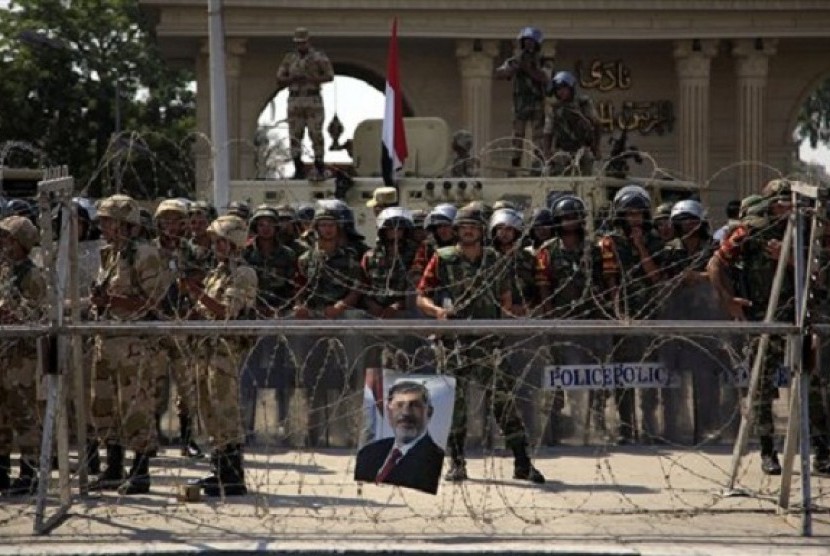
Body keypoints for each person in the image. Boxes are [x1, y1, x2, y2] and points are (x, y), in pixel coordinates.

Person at [416, 204, 545, 484]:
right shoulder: (443, 258)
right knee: (456, 406)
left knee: (504, 403)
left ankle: (522, 462)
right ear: (457, 231)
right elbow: (421, 296)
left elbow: (506, 299)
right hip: (455, 343)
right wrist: (437, 312)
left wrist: (511, 314)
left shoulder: (494, 260)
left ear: (481, 232)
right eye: (464, 228)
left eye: (473, 228)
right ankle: (458, 463)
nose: (469, 232)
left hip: (489, 342)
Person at [707, 179, 795, 475]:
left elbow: (819, 272)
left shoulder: (807, 232)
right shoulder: (751, 233)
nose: (787, 208)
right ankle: (768, 450)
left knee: (815, 385)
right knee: (762, 387)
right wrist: (729, 300)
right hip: (764, 320)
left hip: (801, 318)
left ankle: (822, 448)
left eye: (790, 201)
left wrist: (793, 257)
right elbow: (715, 264)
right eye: (781, 202)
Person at [89, 195, 171, 494]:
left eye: (108, 221)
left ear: (126, 224)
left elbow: (152, 301)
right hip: (107, 338)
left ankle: (140, 472)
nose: (103, 226)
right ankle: (113, 466)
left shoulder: (145, 255)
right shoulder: (110, 255)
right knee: (103, 405)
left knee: (136, 407)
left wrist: (109, 300)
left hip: (133, 343)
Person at [181, 215, 257, 496]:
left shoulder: (243, 274)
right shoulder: (217, 273)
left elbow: (226, 312)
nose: (216, 247)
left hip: (226, 350)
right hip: (207, 349)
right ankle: (220, 468)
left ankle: (233, 474)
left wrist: (196, 292)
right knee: (208, 408)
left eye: (222, 242)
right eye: (215, 242)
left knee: (225, 409)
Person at [598, 185, 665, 444]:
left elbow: (656, 277)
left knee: (649, 373)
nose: (634, 219)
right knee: (623, 374)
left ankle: (650, 427)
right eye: (629, 214)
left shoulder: (655, 241)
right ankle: (626, 428)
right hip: (623, 314)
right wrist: (618, 312)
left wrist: (640, 247)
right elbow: (610, 279)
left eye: (638, 214)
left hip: (650, 312)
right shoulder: (609, 242)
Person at [0, 215, 46, 496]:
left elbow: (38, 315)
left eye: (8, 239)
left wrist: (13, 314)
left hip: (21, 355)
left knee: (23, 412)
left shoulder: (33, 276)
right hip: (4, 349)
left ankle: (30, 472)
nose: (3, 244)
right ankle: (2, 469)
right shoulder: (5, 272)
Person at [354, 381, 445, 494]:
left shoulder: (433, 459)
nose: (405, 413)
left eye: (414, 405)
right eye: (399, 405)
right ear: (388, 411)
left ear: (429, 412)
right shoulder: (368, 453)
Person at [276, 27, 334, 180]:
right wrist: (293, 79)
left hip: (312, 98)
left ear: (308, 42)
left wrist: (312, 77)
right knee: (295, 135)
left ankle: (319, 165)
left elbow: (329, 75)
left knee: (316, 134)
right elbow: (280, 78)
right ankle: (298, 167)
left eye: (303, 43)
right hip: (295, 99)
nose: (300, 46)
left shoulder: (318, 57)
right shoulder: (290, 58)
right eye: (298, 43)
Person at [495, 27, 548, 174]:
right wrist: (514, 67)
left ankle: (538, 163)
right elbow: (500, 73)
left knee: (538, 135)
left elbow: (545, 77)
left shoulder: (543, 61)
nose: (528, 45)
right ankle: (515, 162)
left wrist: (528, 69)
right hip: (521, 103)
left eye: (531, 42)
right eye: (526, 42)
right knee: (518, 135)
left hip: (536, 102)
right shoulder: (516, 59)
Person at [543, 71, 602, 177]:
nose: (561, 92)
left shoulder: (583, 103)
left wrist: (596, 147)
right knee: (560, 181)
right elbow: (548, 131)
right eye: (558, 89)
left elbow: (596, 123)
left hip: (583, 149)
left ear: (571, 88)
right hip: (562, 151)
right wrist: (547, 152)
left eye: (563, 88)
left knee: (586, 180)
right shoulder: (555, 108)